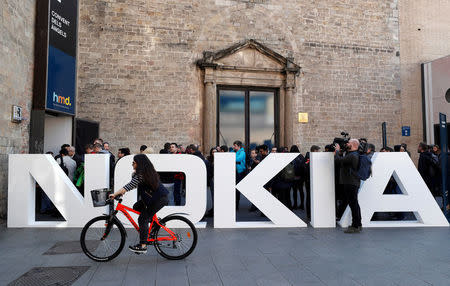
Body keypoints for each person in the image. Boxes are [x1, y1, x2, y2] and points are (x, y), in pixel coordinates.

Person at [109, 154, 169, 253]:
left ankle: (143, 245)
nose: (132, 163)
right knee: (137, 206)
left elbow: (129, 186)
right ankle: (155, 222)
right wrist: (121, 192)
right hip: (155, 198)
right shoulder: (144, 173)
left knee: (143, 218)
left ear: (139, 164)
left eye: (134, 162)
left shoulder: (141, 175)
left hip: (159, 199)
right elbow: (131, 186)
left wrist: (115, 194)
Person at [334, 139, 362, 233]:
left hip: (351, 183)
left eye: (349, 143)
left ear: (354, 145)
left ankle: (355, 226)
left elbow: (337, 160)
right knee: (354, 204)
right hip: (351, 182)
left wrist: (337, 151)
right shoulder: (352, 154)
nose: (347, 144)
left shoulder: (353, 155)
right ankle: (358, 224)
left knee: (353, 204)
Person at [233, 140, 246, 209]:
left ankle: (236, 205)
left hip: (239, 172)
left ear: (239, 146)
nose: (233, 147)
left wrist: (231, 157)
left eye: (235, 146)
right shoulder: (233, 152)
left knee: (237, 189)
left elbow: (238, 159)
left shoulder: (242, 152)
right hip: (233, 172)